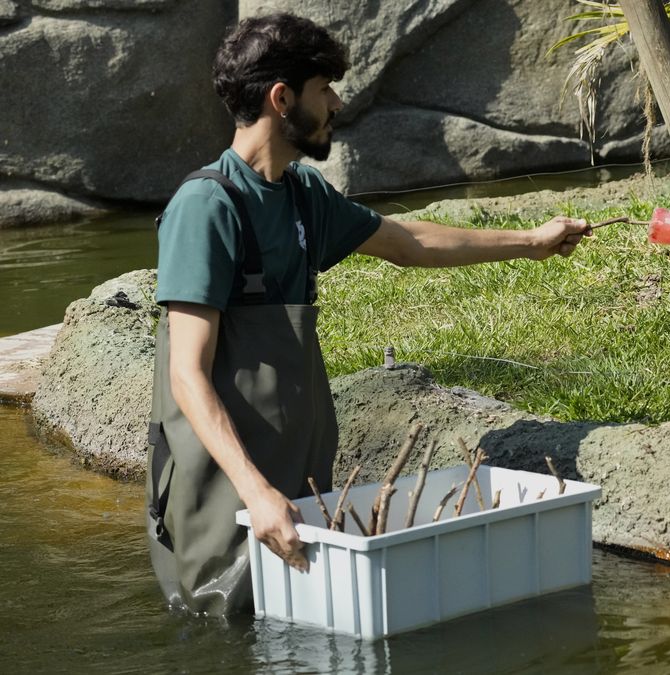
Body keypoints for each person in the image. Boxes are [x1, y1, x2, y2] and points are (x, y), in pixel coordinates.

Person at [145, 12, 591, 616]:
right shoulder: (206, 207)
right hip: (230, 496)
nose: (337, 102)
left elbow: (409, 244)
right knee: (224, 632)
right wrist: (258, 494)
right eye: (324, 87)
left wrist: (532, 242)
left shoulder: (303, 194)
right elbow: (187, 375)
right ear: (281, 99)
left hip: (297, 486)